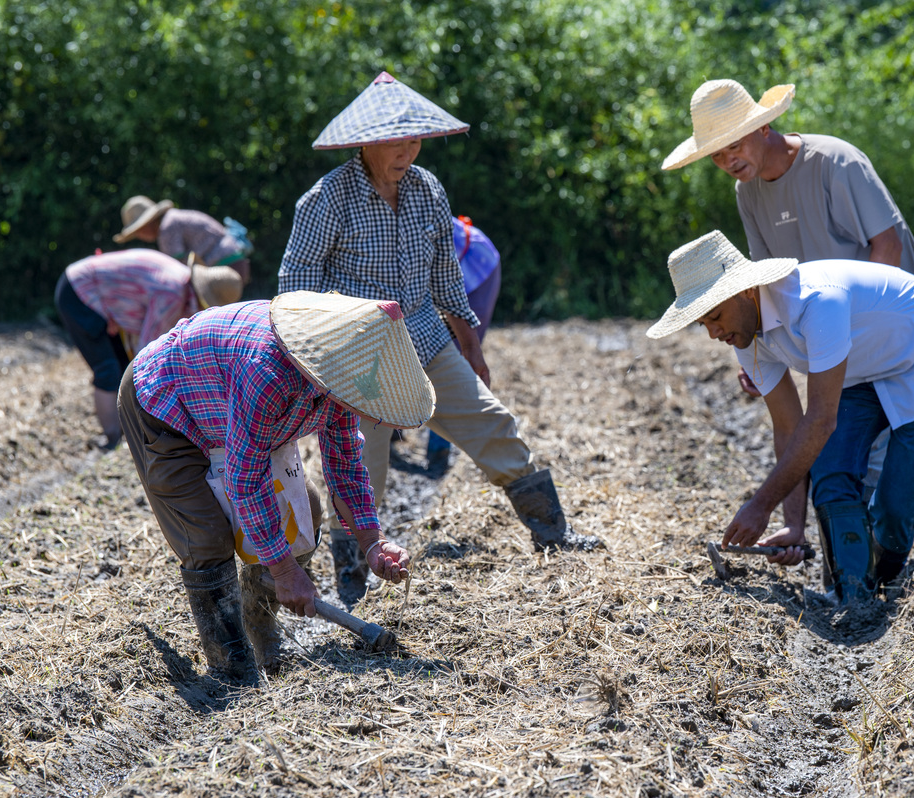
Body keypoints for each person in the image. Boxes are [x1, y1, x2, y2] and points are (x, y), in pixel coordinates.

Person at [279, 72, 600, 601]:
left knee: (493, 423)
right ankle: (353, 582)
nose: (407, 149)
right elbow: (295, 287)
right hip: (358, 357)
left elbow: (447, 276)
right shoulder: (327, 199)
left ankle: (554, 536)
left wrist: (472, 345)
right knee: (360, 466)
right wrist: (312, 368)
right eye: (395, 140)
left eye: (414, 138)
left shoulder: (427, 188)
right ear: (365, 142)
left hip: (426, 337)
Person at [118, 291, 435, 681]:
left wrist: (373, 542)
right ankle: (230, 669)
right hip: (167, 406)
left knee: (307, 512)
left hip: (228, 412)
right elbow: (245, 479)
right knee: (207, 537)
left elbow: (346, 465)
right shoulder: (269, 371)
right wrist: (285, 570)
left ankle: (259, 622)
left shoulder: (347, 380)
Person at [647, 231, 914, 603]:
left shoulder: (817, 302)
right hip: (864, 368)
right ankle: (853, 595)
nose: (713, 333)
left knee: (895, 507)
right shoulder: (745, 335)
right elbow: (788, 427)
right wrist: (792, 525)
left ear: (746, 291)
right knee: (831, 471)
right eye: (703, 323)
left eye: (715, 316)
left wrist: (761, 504)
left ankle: (883, 583)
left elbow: (820, 421)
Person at [54, 248, 242, 449]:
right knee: (108, 368)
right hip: (79, 290)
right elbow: (146, 351)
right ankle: (113, 440)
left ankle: (124, 432)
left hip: (88, 286)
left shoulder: (179, 281)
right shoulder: (172, 294)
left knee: (120, 366)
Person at [424, 215, 504, 469]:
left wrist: (470, 346)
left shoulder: (413, 215)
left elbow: (441, 287)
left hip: (477, 267)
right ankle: (391, 429)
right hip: (445, 276)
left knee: (450, 357)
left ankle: (439, 451)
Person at [114, 196, 254, 284]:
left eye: (138, 232)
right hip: (235, 261)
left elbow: (176, 271)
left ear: (147, 224)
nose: (140, 236)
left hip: (224, 269)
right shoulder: (173, 218)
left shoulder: (167, 229)